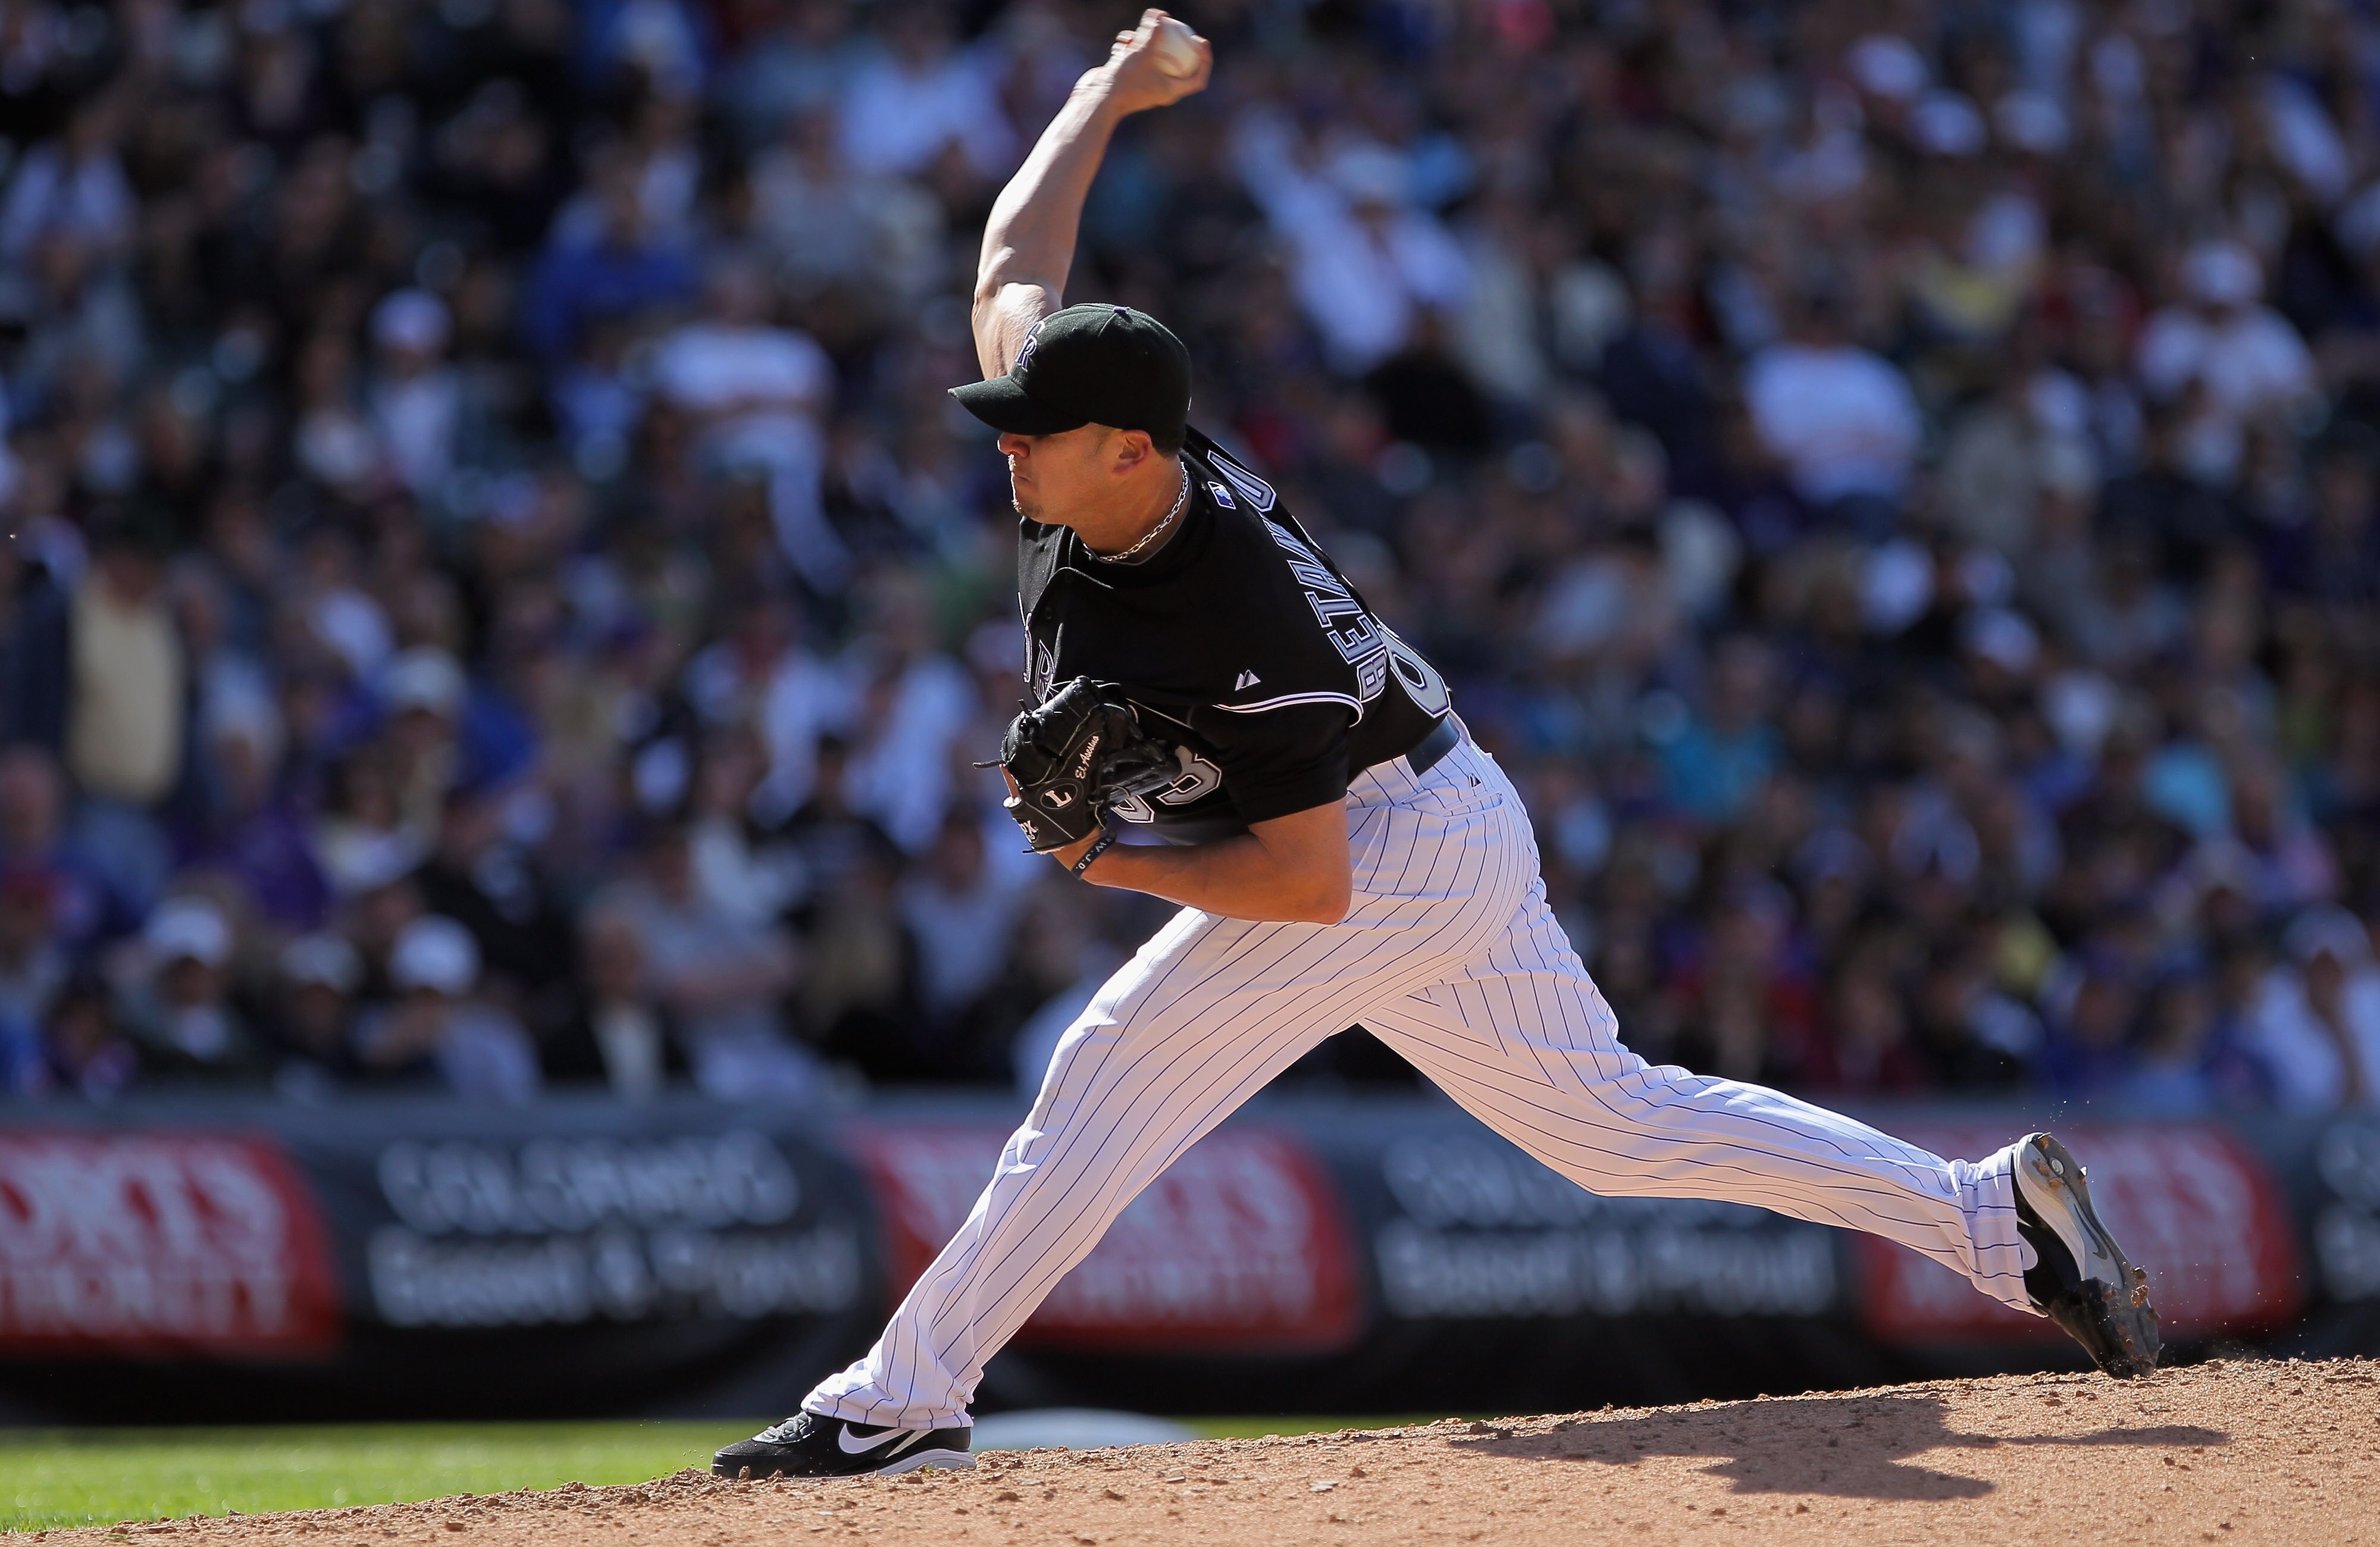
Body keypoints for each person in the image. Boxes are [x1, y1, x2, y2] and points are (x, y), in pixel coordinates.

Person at [713, 11, 2162, 1483]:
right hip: (1444, 806)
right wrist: (1102, 92)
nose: (1004, 442)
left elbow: (1308, 887)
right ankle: (1989, 1218)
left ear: (1132, 450)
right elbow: (1008, 264)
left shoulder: (1236, 616)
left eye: (1034, 430)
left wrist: (1111, 857)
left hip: (1382, 839)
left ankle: (899, 1395)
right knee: (1613, 1127)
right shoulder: (1088, 452)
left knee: (1110, 1066)